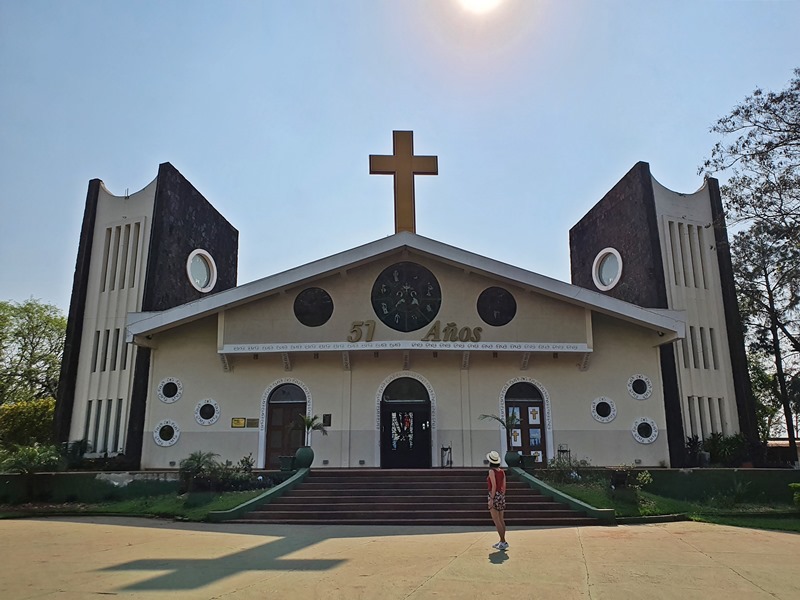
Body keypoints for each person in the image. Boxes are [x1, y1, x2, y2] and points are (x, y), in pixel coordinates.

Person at [486, 450, 508, 550]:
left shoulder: (491, 471)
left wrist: (491, 499)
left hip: (494, 495)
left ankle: (502, 541)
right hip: (501, 495)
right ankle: (502, 541)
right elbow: (504, 485)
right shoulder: (502, 471)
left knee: (496, 520)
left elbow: (493, 486)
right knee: (501, 519)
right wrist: (502, 495)